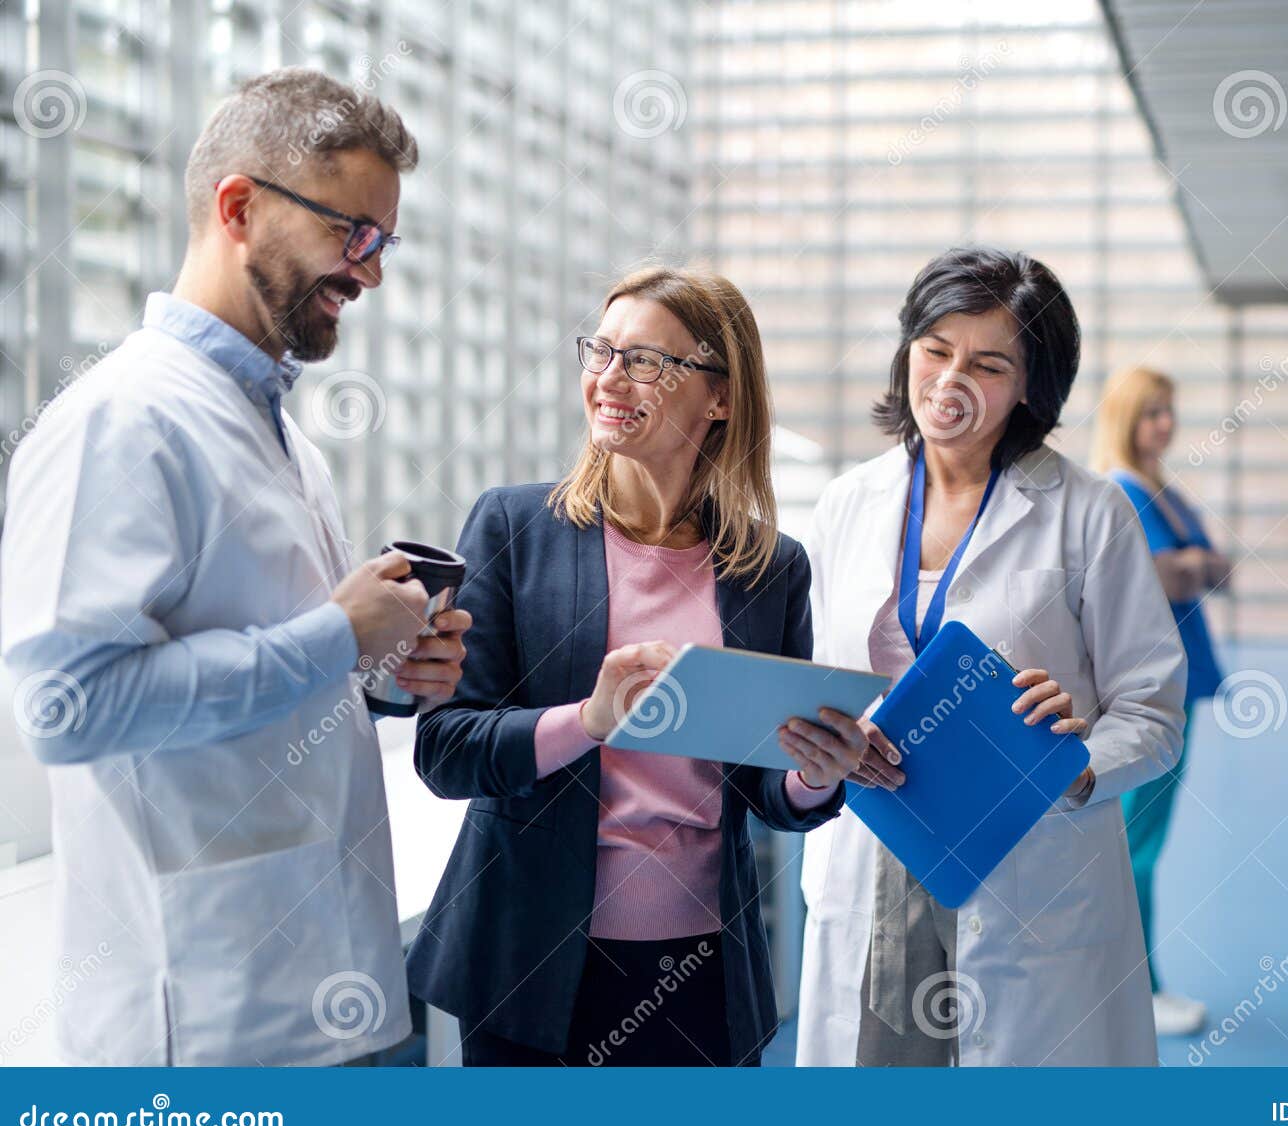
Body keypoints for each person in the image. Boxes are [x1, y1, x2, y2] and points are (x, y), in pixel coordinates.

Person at [0, 68, 470, 1065]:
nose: (371, 272)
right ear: (239, 206)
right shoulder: (119, 422)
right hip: (207, 1029)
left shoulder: (290, 441)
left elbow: (285, 671)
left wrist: (384, 669)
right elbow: (65, 706)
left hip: (331, 993)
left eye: (383, 241)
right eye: (355, 235)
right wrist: (335, 635)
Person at [408, 267, 869, 1067]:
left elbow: (766, 785)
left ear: (719, 398)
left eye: (646, 361)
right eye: (602, 351)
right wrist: (588, 720)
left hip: (700, 968)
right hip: (531, 962)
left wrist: (815, 775)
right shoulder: (516, 527)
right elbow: (446, 749)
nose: (609, 379)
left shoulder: (769, 567)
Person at [794, 247, 1188, 1067]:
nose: (950, 379)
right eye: (934, 349)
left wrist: (1074, 764)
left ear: (1031, 386)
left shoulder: (1089, 512)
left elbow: (1153, 712)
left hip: (1027, 850)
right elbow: (814, 677)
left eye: (989, 363)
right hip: (877, 850)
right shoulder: (846, 504)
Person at [1090, 366, 1228, 1037]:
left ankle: (1132, 976)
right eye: (1152, 413)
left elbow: (1210, 568)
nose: (1165, 425)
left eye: (1170, 411)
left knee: (1142, 836)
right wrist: (1191, 566)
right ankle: (1138, 985)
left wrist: (1191, 567)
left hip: (1181, 684)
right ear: (1125, 418)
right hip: (1151, 691)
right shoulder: (1122, 491)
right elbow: (1152, 577)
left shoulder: (1161, 491)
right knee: (1135, 842)